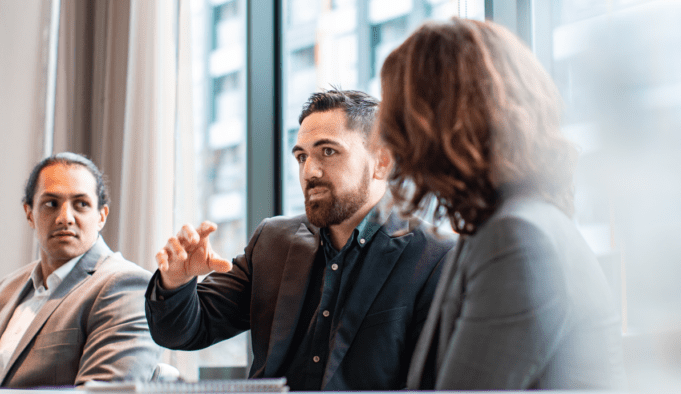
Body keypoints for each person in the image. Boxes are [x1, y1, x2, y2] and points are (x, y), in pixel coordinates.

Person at [145, 90, 455, 391]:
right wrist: (176, 281)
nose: (309, 171)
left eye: (328, 152)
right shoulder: (273, 241)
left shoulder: (437, 257)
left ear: (382, 162)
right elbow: (183, 332)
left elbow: (433, 386)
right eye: (301, 156)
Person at [378, 18, 627, 390]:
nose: (393, 140)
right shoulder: (513, 224)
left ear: (436, 125)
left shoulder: (516, 238)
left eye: (400, 118)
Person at [0, 152, 161, 388]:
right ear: (29, 213)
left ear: (101, 216)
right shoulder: (7, 287)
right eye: (51, 204)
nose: (65, 218)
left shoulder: (127, 286)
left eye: (81, 204)